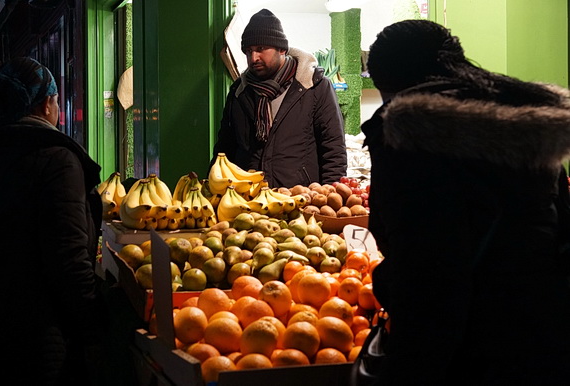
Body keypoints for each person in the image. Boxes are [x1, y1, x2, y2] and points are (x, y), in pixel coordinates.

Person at [360, 20, 570, 385]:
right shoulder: (527, 127)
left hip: (467, 357)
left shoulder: (408, 142)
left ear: (392, 85)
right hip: (545, 344)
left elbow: (428, 281)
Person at [0, 57, 107, 385]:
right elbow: (69, 262)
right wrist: (95, 333)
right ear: (48, 104)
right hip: (33, 344)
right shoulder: (56, 161)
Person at [212, 8, 347, 188]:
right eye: (248, 51)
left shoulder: (314, 87)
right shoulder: (239, 91)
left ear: (282, 49)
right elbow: (224, 148)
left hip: (302, 201)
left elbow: (333, 151)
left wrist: (330, 200)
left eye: (261, 49)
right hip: (248, 201)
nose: (253, 58)